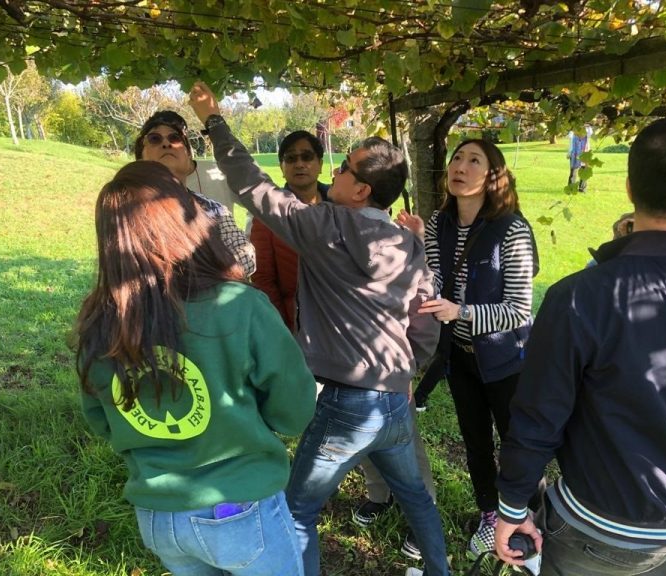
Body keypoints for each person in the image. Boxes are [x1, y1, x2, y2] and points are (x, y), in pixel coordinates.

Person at [188, 81, 448, 576]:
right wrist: (409, 370)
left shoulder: (324, 225)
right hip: (395, 400)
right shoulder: (408, 241)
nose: (337, 172)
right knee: (416, 497)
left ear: (362, 189)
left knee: (297, 511)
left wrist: (214, 120)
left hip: (347, 405)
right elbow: (426, 316)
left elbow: (252, 185)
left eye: (346, 169)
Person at [495, 112, 666, 576]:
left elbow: (538, 416)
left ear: (628, 187)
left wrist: (511, 508)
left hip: (602, 530)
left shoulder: (578, 297)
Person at [75, 161, 316, 576]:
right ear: (186, 219)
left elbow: (102, 419)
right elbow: (293, 413)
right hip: (240, 505)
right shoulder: (239, 306)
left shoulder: (100, 320)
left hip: (159, 515)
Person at [397, 139, 536, 560]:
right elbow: (434, 282)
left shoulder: (512, 229)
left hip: (505, 360)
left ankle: (529, 518)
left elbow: (518, 309)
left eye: (474, 160)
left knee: (517, 443)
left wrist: (463, 311)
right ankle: (490, 514)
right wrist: (420, 243)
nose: (460, 166)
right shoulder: (440, 222)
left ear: (495, 175)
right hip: (458, 357)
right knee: (475, 443)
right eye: (457, 158)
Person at [134, 110, 255, 276]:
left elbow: (246, 258)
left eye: (175, 138)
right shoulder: (126, 208)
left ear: (188, 154)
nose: (166, 144)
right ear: (140, 157)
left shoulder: (215, 209)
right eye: (154, 139)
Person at [250, 130, 329, 331]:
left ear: (320, 164)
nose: (299, 164)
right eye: (291, 158)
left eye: (307, 156)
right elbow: (263, 279)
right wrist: (285, 328)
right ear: (282, 167)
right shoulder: (268, 215)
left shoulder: (340, 207)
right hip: (296, 323)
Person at [567, 124, 592, 193]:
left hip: (585, 153)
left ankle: (582, 188)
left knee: (584, 171)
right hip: (574, 154)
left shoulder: (587, 130)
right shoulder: (573, 132)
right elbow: (569, 137)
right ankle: (571, 188)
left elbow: (590, 133)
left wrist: (586, 126)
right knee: (573, 172)